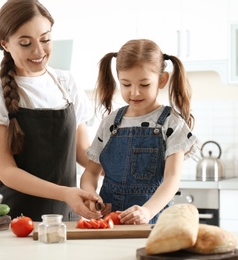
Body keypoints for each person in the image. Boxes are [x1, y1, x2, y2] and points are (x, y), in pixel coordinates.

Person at [0, 0, 102, 222]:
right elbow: (6, 171)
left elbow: (83, 152)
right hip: (16, 222)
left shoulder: (65, 83)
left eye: (45, 39)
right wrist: (65, 193)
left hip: (66, 218)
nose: (39, 51)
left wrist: (121, 168)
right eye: (25, 43)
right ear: (6, 44)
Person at [80, 39, 201, 224]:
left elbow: (172, 178)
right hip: (108, 222)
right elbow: (90, 173)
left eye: (144, 85)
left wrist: (147, 211)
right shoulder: (110, 122)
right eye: (126, 84)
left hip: (151, 221)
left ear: (162, 80)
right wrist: (90, 196)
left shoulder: (171, 123)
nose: (135, 93)